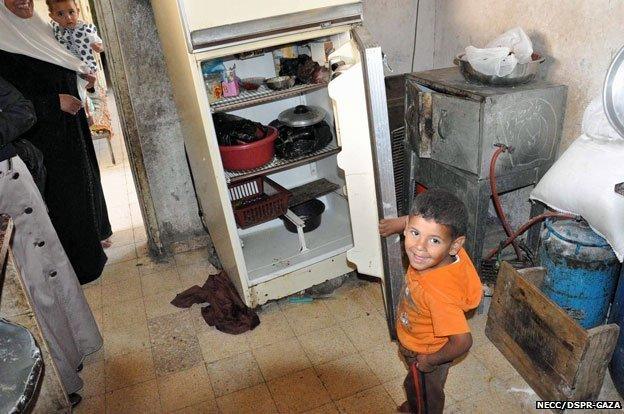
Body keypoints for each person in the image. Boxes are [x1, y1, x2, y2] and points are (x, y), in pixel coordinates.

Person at [0, 75, 102, 409]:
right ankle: (62, 373)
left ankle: (67, 364)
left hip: (8, 179)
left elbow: (22, 111)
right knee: (29, 287)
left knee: (40, 277)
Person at [0, 0, 112, 284]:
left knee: (82, 189)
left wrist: (79, 78)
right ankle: (77, 268)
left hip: (70, 128)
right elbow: (9, 107)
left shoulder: (41, 27)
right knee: (63, 201)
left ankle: (92, 249)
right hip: (42, 139)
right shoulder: (3, 40)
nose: (23, 0)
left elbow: (60, 64)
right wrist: (54, 103)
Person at [379, 189, 482, 414]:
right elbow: (419, 223)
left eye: (433, 240)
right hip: (418, 335)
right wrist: (398, 224)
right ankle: (417, 403)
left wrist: (431, 360)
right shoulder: (448, 254)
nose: (419, 247)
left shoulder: (438, 294)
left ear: (454, 245)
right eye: (414, 233)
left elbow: (462, 342)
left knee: (426, 393)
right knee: (415, 387)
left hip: (426, 351)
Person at [47, 0, 103, 95]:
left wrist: (97, 46)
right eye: (60, 14)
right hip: (69, 69)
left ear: (77, 11)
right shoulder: (55, 28)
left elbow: (100, 46)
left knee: (90, 90)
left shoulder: (86, 28)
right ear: (53, 17)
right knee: (78, 94)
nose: (68, 18)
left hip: (87, 68)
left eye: (71, 12)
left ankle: (91, 92)